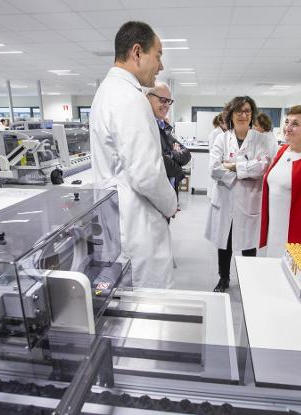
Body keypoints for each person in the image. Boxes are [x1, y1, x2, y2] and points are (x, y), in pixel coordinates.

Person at [89, 21, 178, 289]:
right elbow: (147, 175)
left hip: (119, 219)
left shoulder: (106, 93)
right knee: (148, 307)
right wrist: (171, 203)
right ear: (137, 53)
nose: (161, 66)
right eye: (158, 55)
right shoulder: (130, 99)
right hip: (137, 224)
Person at [205, 96, 272, 292]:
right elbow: (214, 169)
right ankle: (223, 278)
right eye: (239, 111)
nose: (243, 115)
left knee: (248, 244)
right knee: (224, 242)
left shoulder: (260, 139)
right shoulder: (222, 138)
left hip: (248, 199)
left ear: (252, 115)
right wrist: (245, 170)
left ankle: (249, 279)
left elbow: (262, 166)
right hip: (225, 200)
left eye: (247, 111)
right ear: (231, 114)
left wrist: (233, 166)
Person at [259, 106, 301, 257]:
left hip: (298, 232)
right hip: (275, 229)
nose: (287, 128)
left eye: (295, 124)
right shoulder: (282, 151)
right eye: (287, 122)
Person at [147, 82, 191, 204]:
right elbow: (162, 165)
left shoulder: (165, 126)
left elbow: (187, 154)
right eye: (162, 100)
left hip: (170, 192)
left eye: (169, 101)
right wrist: (178, 166)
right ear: (147, 97)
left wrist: (171, 155)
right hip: (155, 197)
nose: (166, 104)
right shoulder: (145, 127)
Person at [207, 113, 227, 199]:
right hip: (217, 163)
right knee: (214, 191)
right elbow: (214, 150)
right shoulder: (216, 133)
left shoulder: (223, 133)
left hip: (221, 165)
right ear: (221, 123)